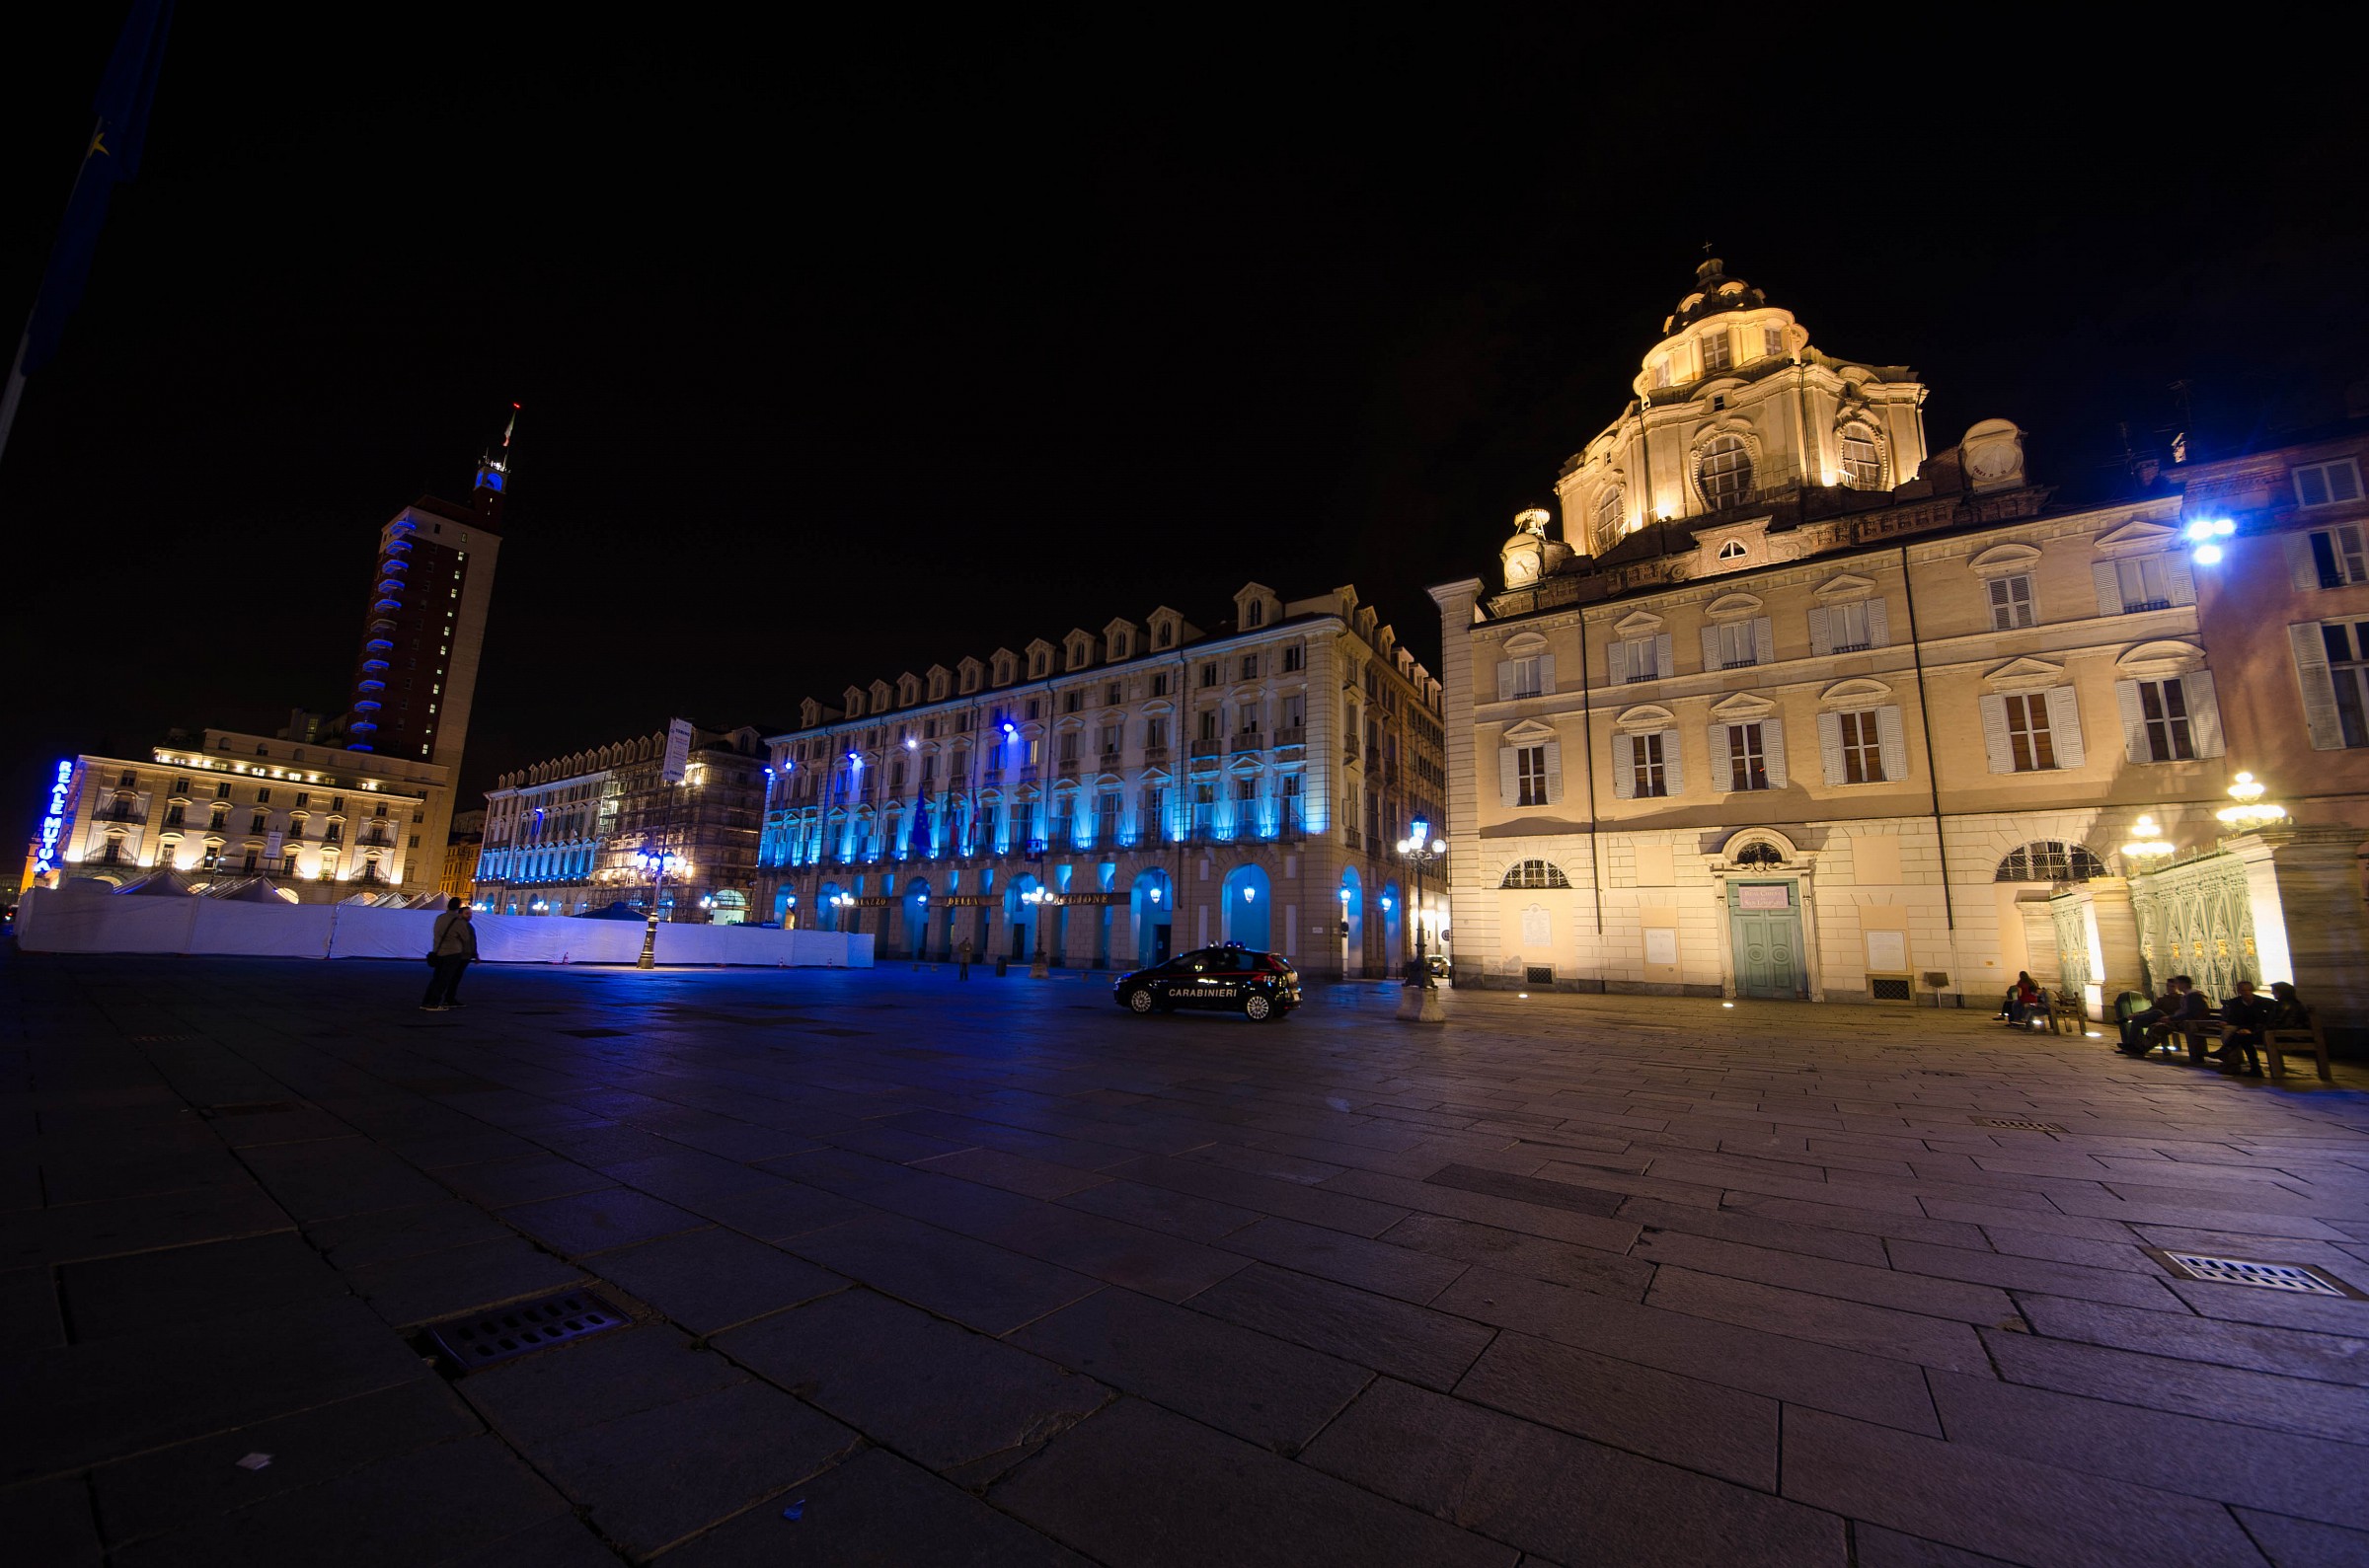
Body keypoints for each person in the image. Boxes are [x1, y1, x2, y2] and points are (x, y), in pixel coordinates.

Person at [422, 898, 477, 1010]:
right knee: (445, 979)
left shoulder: (440, 918)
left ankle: (426, 1001)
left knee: (436, 978)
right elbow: (465, 937)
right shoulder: (458, 921)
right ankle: (434, 1003)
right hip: (452, 952)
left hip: (438, 951)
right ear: (459, 907)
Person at [2216, 978, 2271, 1075]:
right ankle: (2231, 1061)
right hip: (2240, 1025)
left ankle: (2224, 1054)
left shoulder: (2263, 1002)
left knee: (2241, 1037)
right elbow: (2232, 1018)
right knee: (2228, 1031)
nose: (2246, 993)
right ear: (2239, 991)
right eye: (2243, 990)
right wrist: (2226, 1022)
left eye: (2248, 990)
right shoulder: (2235, 1002)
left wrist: (2249, 1029)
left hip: (2255, 1028)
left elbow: (2263, 1020)